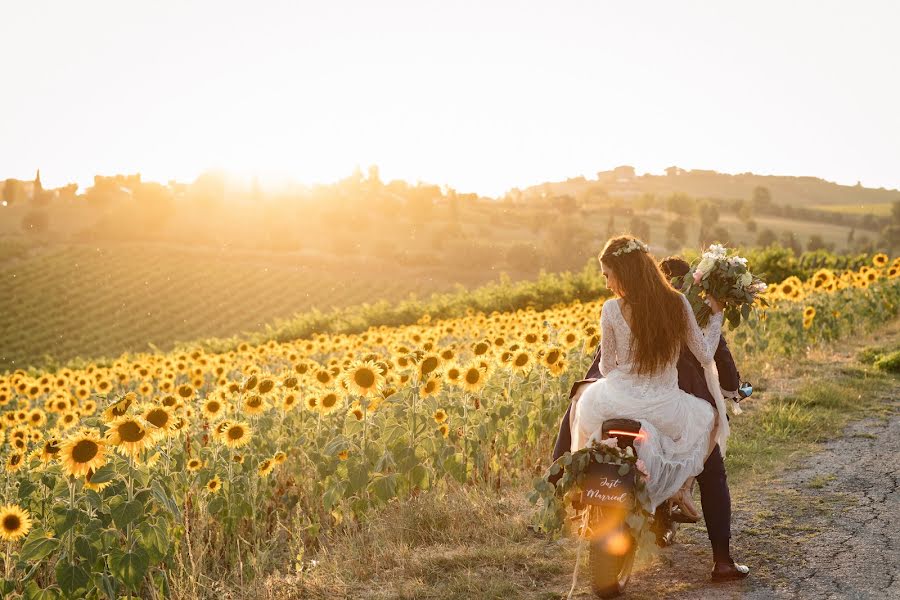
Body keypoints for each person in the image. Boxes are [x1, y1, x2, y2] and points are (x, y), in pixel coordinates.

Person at [555, 237, 750, 581]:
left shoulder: (611, 309)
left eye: (607, 275)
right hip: (664, 403)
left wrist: (627, 380)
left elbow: (607, 368)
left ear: (624, 273)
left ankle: (577, 498)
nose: (606, 283)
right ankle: (695, 514)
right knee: (710, 426)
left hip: (613, 398)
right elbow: (705, 355)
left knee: (587, 425)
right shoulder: (677, 304)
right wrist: (716, 317)